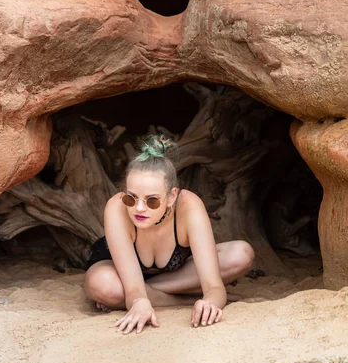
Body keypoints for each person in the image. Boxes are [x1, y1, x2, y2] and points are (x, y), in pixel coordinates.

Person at [84, 135, 255, 335]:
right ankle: (184, 299)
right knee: (102, 284)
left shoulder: (189, 206)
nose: (139, 208)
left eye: (152, 201)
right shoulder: (117, 206)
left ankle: (146, 294)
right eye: (132, 198)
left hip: (174, 276)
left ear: (171, 196)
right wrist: (139, 300)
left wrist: (210, 301)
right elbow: (133, 290)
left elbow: (214, 287)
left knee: (241, 253)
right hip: (121, 276)